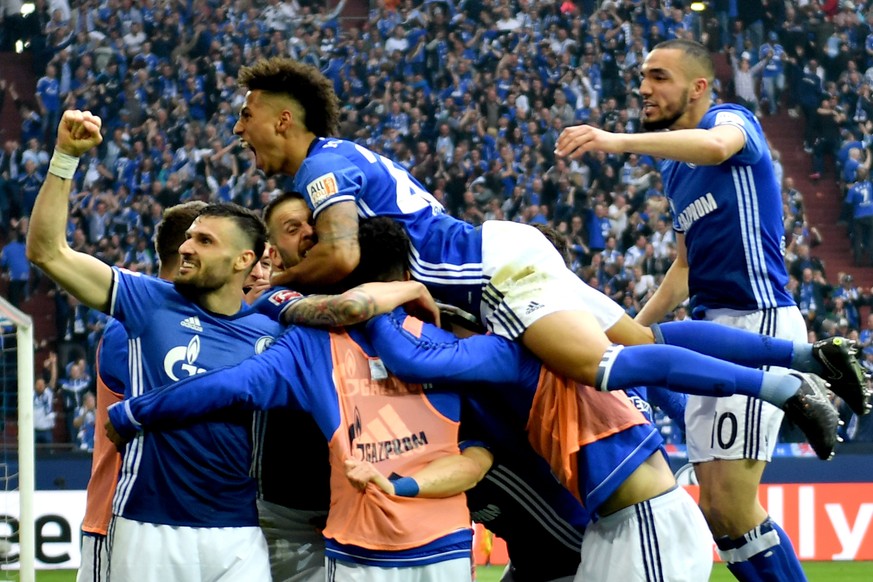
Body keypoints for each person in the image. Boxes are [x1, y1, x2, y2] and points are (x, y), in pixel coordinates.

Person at [231, 57, 865, 463]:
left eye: (246, 114)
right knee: (642, 337)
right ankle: (812, 357)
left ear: (285, 118)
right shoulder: (344, 157)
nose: (239, 128)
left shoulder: (323, 168)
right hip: (505, 251)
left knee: (606, 366)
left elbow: (341, 255)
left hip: (487, 273)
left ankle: (785, 388)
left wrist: (272, 285)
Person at [553, 38, 871, 582]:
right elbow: (683, 268)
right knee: (722, 516)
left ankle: (804, 373)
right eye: (642, 77)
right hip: (709, 327)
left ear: (698, 86)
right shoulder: (676, 171)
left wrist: (612, 141)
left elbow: (720, 147)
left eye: (658, 76)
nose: (643, 87)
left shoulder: (733, 119)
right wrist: (636, 328)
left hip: (757, 316)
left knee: (730, 507)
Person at [107, 219, 479, 581]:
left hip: (360, 541)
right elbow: (479, 448)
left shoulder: (310, 342)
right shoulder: (453, 342)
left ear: (340, 273)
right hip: (442, 540)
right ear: (407, 276)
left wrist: (133, 411)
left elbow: (227, 386)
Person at [27, 110, 284, 581]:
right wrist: (65, 158)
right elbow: (47, 251)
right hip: (149, 525)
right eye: (188, 238)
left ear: (243, 260)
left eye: (204, 241)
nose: (186, 248)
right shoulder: (148, 303)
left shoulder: (271, 334)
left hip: (240, 531)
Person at [77, 200, 206, 582]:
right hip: (121, 519)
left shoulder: (203, 322)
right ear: (188, 251)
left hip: (186, 522)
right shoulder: (130, 327)